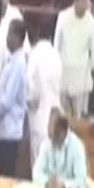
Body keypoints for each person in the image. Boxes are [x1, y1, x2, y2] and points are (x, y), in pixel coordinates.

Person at [0, 19, 28, 178]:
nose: (7, 38)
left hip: (9, 131)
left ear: (18, 38)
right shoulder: (10, 60)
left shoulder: (19, 65)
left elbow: (6, 101)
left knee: (5, 177)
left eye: (10, 34)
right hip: (2, 130)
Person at [54, 0, 94, 119]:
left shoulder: (92, 24)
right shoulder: (63, 17)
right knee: (62, 115)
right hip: (63, 73)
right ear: (75, 1)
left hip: (81, 78)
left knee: (78, 118)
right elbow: (56, 44)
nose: (86, 5)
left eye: (88, 1)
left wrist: (87, 68)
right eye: (83, 1)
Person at [27, 19, 62, 165]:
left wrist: (30, 100)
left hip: (39, 113)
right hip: (54, 114)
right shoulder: (56, 55)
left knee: (37, 160)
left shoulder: (35, 54)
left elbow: (30, 81)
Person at [32, 108, 88, 188]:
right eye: (50, 136)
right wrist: (47, 183)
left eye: (55, 136)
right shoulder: (47, 142)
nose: (51, 141)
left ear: (64, 132)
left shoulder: (77, 146)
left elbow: (81, 180)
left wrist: (64, 185)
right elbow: (36, 172)